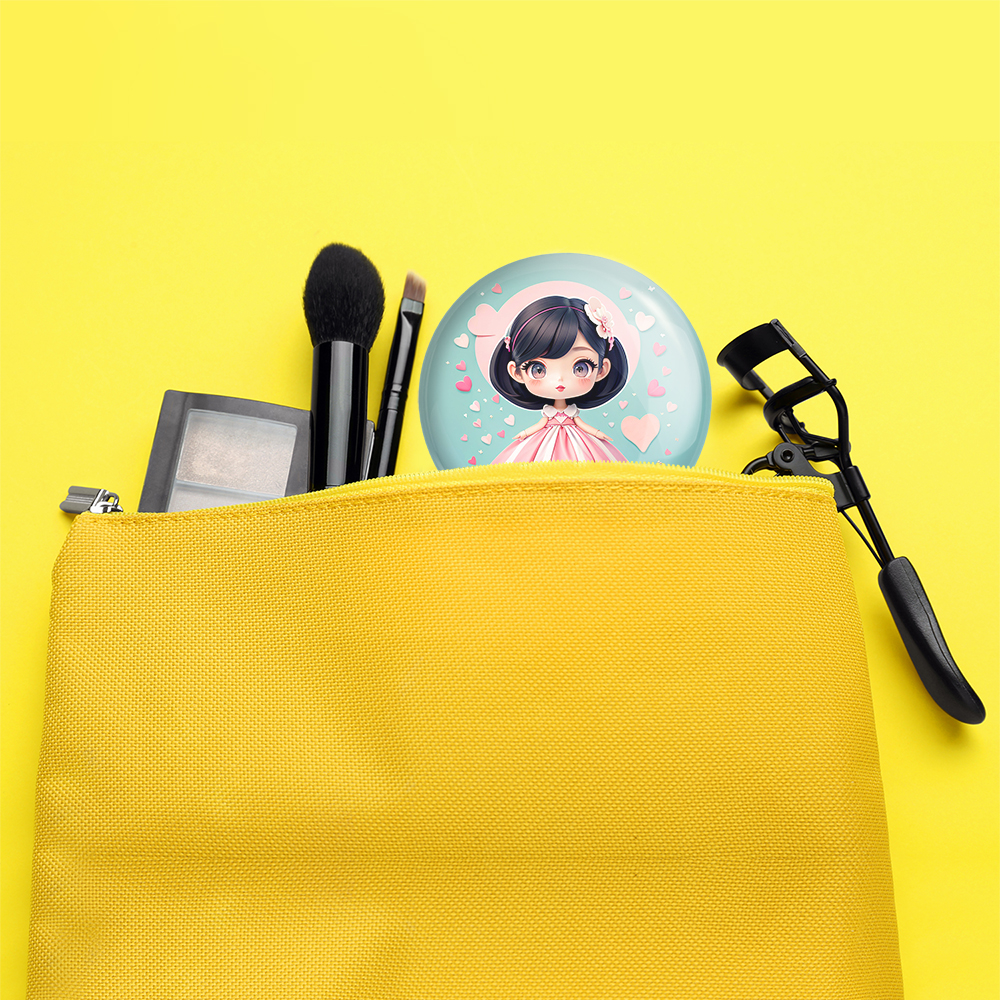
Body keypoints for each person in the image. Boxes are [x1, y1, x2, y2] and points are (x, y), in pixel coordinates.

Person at [489, 294, 629, 463]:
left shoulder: (571, 412)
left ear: (602, 370)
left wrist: (597, 434)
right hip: (545, 440)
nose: (560, 380)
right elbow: (541, 425)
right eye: (538, 369)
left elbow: (581, 424)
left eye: (581, 368)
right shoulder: (549, 413)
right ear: (516, 372)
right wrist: (525, 433)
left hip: (577, 440)